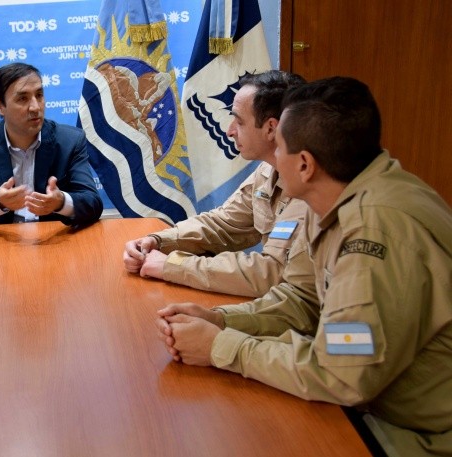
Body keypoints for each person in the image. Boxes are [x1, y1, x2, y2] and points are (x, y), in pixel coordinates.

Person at [156, 77, 452, 456]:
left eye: (278, 147)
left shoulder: (373, 232)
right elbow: (300, 299)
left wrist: (223, 347)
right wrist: (222, 321)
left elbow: (341, 372)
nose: (273, 161)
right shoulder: (336, 195)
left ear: (305, 164)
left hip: (412, 432)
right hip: (370, 402)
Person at [124, 70, 309, 297]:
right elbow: (223, 224)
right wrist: (157, 241)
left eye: (239, 121)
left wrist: (173, 266)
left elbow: (273, 273)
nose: (229, 131)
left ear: (271, 128)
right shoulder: (268, 169)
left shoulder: (310, 183)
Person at [0, 62, 102, 231]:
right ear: (0, 106)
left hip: (53, 241)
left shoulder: (70, 141)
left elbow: (93, 203)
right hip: (2, 245)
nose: (35, 107)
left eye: (39, 95)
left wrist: (61, 202)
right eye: (22, 98)